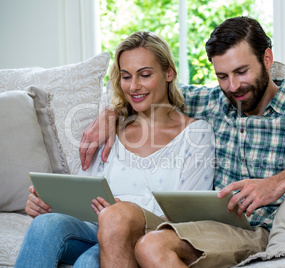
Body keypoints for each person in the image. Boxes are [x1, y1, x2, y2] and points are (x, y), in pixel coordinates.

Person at [79, 17, 285, 267]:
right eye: (222, 76)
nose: (233, 86)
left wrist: (277, 182)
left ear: (267, 58)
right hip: (204, 226)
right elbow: (146, 92)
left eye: (242, 72)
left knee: (152, 246)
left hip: (259, 230)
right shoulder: (214, 101)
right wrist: (112, 112)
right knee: (126, 225)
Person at [14, 31, 215, 267]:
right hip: (92, 227)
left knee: (88, 262)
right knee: (44, 224)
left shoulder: (195, 134)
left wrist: (123, 213)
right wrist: (47, 204)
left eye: (145, 74)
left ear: (169, 73)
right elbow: (81, 191)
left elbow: (187, 216)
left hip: (146, 234)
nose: (134, 86)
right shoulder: (111, 130)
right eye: (126, 76)